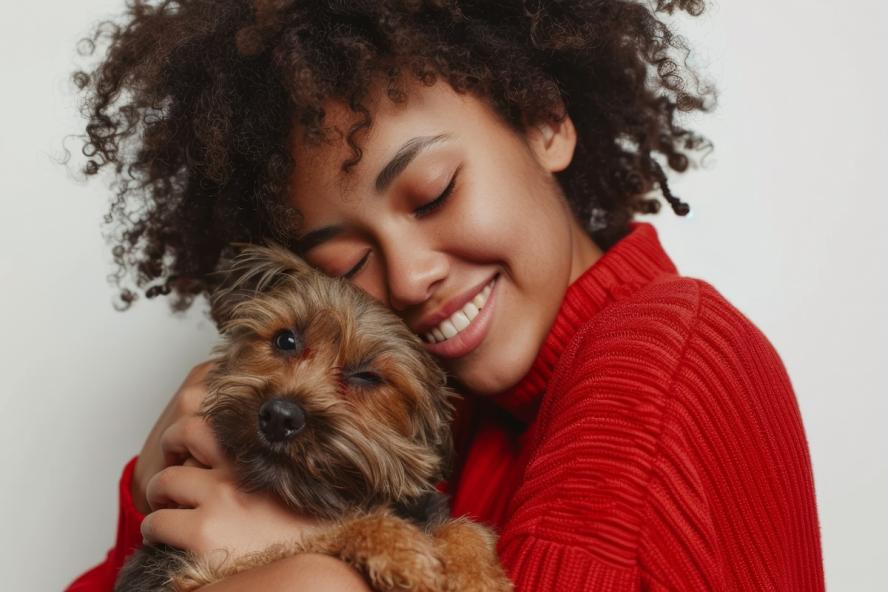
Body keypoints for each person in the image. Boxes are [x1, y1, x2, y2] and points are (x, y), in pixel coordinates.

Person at [66, 1, 824, 590]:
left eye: (433, 194)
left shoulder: (654, 366)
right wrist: (152, 494)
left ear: (545, 124)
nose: (407, 278)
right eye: (349, 257)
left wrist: (307, 570)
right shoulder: (442, 417)